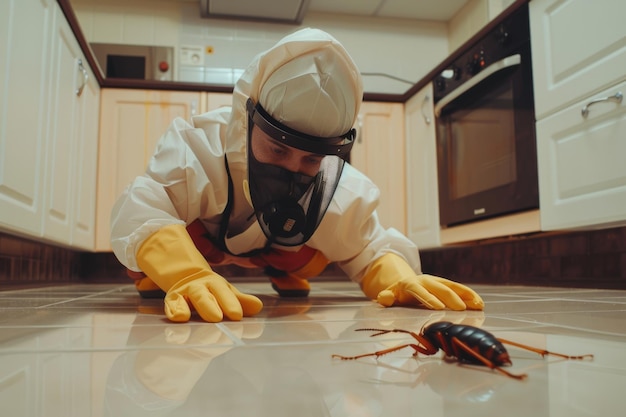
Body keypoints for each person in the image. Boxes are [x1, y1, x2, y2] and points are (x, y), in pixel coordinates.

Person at [110, 28, 484, 323]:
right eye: (277, 148)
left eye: (312, 159)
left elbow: (370, 249)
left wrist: (399, 276)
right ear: (247, 120)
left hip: (281, 253)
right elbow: (144, 208)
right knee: (145, 258)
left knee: (317, 251)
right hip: (205, 244)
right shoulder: (197, 149)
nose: (293, 169)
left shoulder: (337, 186)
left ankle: (287, 273)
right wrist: (183, 272)